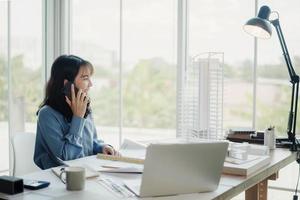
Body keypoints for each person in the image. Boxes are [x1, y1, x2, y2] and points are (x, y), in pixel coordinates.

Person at [34, 55, 118, 170]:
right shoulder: (47, 114)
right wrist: (77, 118)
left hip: (88, 172)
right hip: (61, 178)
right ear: (67, 84)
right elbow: (67, 159)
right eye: (85, 78)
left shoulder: (84, 106)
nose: (90, 84)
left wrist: (102, 147)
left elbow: (90, 142)